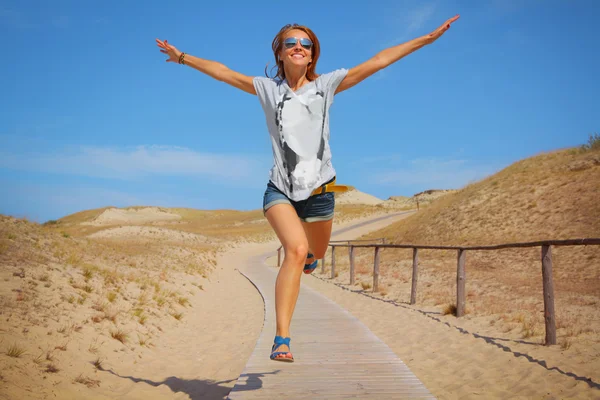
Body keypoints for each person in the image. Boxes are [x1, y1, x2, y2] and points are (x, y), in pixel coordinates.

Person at [156, 14, 459, 362]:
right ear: (280, 54)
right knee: (295, 252)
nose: (299, 47)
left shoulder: (326, 86)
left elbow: (378, 60)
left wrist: (424, 40)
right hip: (279, 191)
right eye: (291, 43)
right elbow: (223, 72)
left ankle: (313, 257)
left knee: (313, 254)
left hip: (320, 193)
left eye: (306, 44)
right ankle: (282, 338)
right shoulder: (267, 89)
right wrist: (182, 57)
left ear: (312, 55)